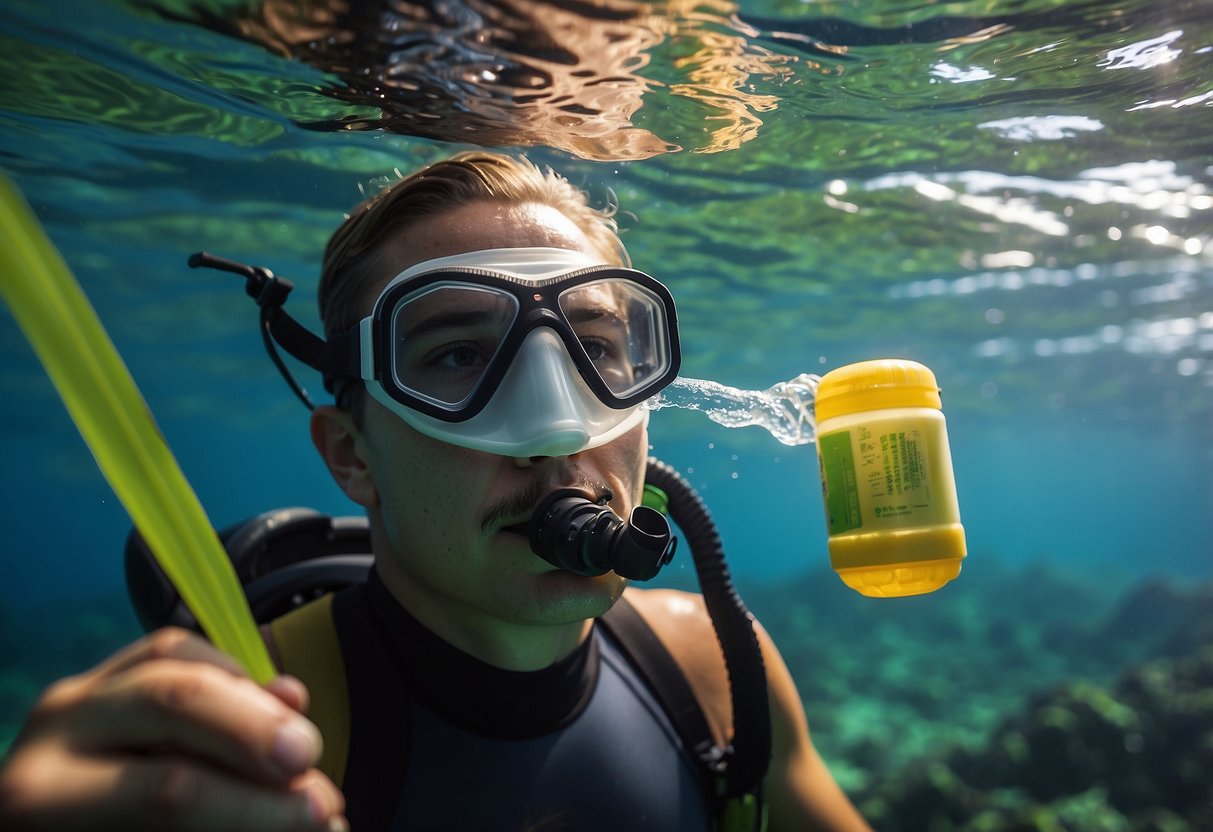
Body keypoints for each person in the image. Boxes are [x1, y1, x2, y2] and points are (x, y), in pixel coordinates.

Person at [0, 151, 871, 831]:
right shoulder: (262, 729)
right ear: (353, 456)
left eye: (597, 350)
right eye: (459, 356)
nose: (555, 430)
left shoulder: (714, 665)